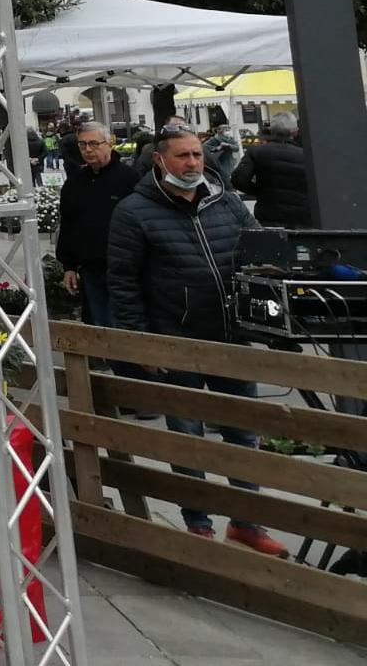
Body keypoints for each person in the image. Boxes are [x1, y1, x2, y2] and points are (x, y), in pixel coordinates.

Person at [106, 126, 288, 557]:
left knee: (243, 435)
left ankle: (247, 523)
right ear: (160, 160)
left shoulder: (224, 200)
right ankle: (198, 526)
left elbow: (258, 251)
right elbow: (123, 282)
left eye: (197, 155)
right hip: (176, 340)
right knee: (187, 440)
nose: (193, 163)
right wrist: (141, 343)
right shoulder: (134, 211)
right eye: (183, 156)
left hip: (230, 339)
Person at [58, 123, 141, 328]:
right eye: (83, 144)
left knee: (124, 324)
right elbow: (67, 223)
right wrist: (68, 266)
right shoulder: (74, 183)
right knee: (97, 324)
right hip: (90, 268)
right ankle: (101, 361)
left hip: (125, 268)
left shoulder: (129, 178)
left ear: (109, 143)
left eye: (94, 143)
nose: (88, 149)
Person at [231, 112, 310, 229]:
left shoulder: (256, 152)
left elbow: (238, 179)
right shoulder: (306, 156)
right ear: (295, 131)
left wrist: (260, 191)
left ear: (271, 130)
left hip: (268, 215)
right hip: (301, 217)